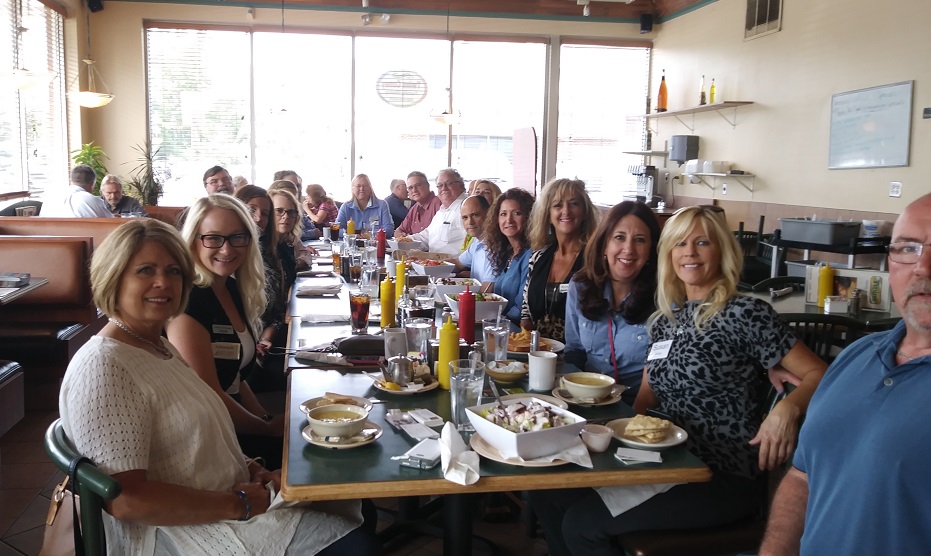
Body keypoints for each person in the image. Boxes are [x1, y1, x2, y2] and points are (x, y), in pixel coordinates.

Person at [60, 218, 380, 556]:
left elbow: (201, 432)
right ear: (113, 277)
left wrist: (254, 468)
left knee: (353, 501)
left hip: (226, 499)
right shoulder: (105, 365)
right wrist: (238, 503)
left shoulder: (157, 346)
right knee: (355, 544)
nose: (162, 283)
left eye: (173, 272)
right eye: (145, 271)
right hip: (176, 534)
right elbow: (126, 501)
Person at [529, 205, 827, 556]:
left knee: (583, 525)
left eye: (703, 242)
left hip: (719, 474)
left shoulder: (745, 313)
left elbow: (821, 373)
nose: (689, 252)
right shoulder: (665, 319)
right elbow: (644, 400)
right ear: (668, 254)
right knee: (547, 491)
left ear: (722, 251)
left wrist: (787, 409)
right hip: (660, 458)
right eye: (680, 243)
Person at [760, 193, 931, 555]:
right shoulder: (856, 355)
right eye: (908, 248)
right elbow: (802, 479)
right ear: (890, 262)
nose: (923, 266)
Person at [166, 195, 284, 469]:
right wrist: (266, 429)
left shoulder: (229, 288)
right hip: (209, 438)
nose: (227, 249)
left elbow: (235, 377)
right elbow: (210, 394)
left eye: (237, 237)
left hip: (234, 422)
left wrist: (266, 419)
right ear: (194, 240)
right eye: (214, 238)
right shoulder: (189, 303)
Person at [562, 201, 657, 402]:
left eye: (639, 240)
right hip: (587, 399)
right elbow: (575, 350)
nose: (628, 249)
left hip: (637, 406)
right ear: (604, 244)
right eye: (619, 238)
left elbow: (658, 380)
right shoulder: (580, 287)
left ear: (651, 250)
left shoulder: (662, 299)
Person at [520, 178, 598, 343]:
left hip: (578, 354)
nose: (566, 211)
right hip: (538, 352)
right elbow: (526, 311)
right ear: (548, 215)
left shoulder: (595, 259)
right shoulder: (538, 256)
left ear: (584, 212)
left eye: (574, 204)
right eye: (557, 205)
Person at [234, 186, 286, 363]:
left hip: (265, 346)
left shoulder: (269, 256)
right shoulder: (227, 260)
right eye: (252, 210)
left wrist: (265, 339)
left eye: (265, 214)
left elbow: (277, 313)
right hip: (238, 353)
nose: (258, 218)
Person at [472, 188, 534, 322]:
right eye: (503, 214)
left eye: (517, 213)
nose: (509, 220)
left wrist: (495, 321)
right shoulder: (507, 252)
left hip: (512, 330)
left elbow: (521, 309)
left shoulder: (531, 255)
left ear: (529, 217)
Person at [407, 168, 468, 255]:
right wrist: (401, 242)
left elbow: (472, 244)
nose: (444, 188)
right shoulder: (442, 211)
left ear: (461, 185)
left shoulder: (466, 208)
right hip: (433, 264)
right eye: (440, 185)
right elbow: (426, 236)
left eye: (449, 183)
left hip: (454, 266)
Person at [41, 164, 113, 218]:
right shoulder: (92, 200)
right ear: (92, 185)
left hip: (49, 237)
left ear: (71, 181)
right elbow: (110, 222)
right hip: (86, 237)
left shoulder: (51, 198)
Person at [395, 171, 442, 237]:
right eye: (410, 188)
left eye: (418, 185)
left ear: (427, 185)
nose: (414, 190)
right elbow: (398, 231)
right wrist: (402, 236)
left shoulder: (439, 204)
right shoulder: (414, 208)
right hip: (413, 247)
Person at [453, 194, 491, 276]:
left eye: (475, 215)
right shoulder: (477, 241)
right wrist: (427, 264)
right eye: (465, 218)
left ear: (488, 214)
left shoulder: (494, 245)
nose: (470, 222)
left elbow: (488, 288)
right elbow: (458, 263)